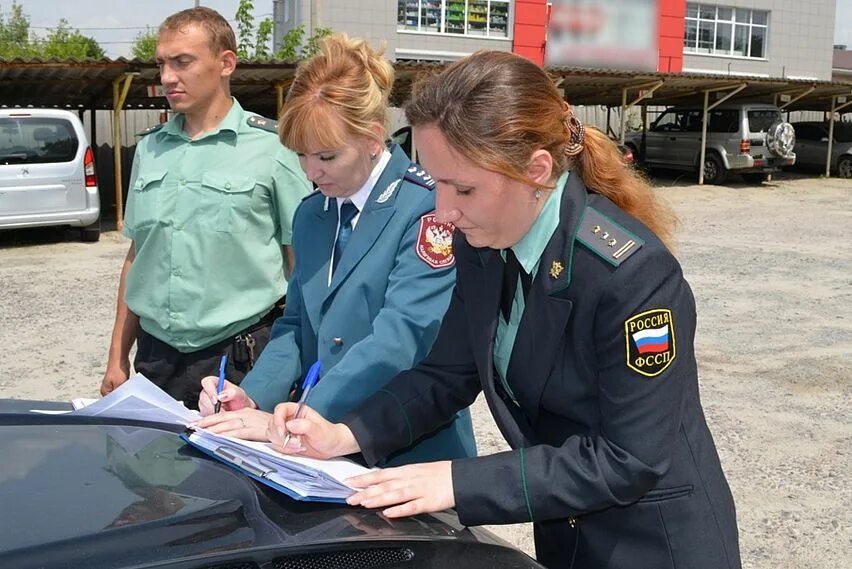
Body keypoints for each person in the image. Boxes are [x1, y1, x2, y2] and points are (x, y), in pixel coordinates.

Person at [265, 51, 742, 569]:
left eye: (463, 187)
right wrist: (344, 432)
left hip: (654, 546)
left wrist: (456, 480)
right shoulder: (481, 242)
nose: (442, 211)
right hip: (567, 534)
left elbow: (629, 459)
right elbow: (446, 373)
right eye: (436, 180)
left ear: (536, 171)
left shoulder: (631, 275)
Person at [195, 35, 475, 465]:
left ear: (372, 139)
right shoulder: (313, 214)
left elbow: (402, 336)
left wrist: (300, 417)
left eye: (325, 156)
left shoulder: (425, 207)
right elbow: (296, 323)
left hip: (407, 447)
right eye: (302, 156)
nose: (311, 172)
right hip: (320, 445)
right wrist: (252, 397)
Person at [100, 7, 310, 409]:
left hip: (239, 357)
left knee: (234, 470)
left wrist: (298, 356)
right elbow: (137, 257)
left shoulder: (273, 148)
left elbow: (301, 260)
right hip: (155, 358)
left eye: (183, 62)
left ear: (225, 63)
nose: (166, 77)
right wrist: (116, 358)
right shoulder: (150, 149)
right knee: (151, 468)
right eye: (162, 64)